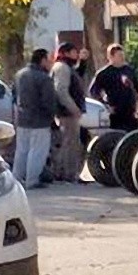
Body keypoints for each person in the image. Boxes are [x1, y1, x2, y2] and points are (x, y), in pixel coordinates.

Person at [12, 48, 57, 189]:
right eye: (48, 60)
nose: (50, 63)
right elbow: (48, 101)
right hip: (40, 120)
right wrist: (52, 116)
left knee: (21, 150)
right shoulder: (44, 78)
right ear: (43, 60)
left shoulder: (20, 75)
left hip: (22, 118)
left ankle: (16, 179)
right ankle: (32, 180)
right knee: (37, 151)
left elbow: (14, 95)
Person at [51, 42, 86, 183]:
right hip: (66, 114)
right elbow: (61, 91)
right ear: (65, 53)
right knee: (69, 143)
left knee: (71, 142)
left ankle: (67, 173)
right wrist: (74, 108)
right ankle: (67, 174)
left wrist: (83, 62)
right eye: (74, 52)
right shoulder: (62, 68)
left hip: (66, 112)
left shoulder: (66, 68)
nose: (76, 55)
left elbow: (77, 74)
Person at [89, 44, 138, 132]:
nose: (122, 58)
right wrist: (105, 106)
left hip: (130, 112)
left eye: (123, 55)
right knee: (117, 137)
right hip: (115, 112)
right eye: (119, 55)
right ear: (110, 56)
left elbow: (136, 88)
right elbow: (93, 91)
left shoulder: (129, 70)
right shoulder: (104, 73)